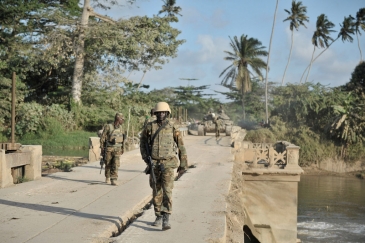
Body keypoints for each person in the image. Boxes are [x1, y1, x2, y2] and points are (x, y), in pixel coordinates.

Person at [140, 102, 188, 230]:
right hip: (154, 163)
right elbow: (143, 142)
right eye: (158, 112)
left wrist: (183, 165)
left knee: (168, 191)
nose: (161, 114)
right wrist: (146, 158)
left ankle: (166, 217)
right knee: (156, 191)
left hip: (168, 163)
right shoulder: (150, 127)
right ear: (155, 113)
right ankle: (158, 215)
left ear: (167, 113)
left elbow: (181, 146)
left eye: (163, 112)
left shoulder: (172, 127)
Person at [100, 113, 125, 186]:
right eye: (121, 119)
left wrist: (123, 148)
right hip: (109, 148)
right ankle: (107, 176)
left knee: (116, 164)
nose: (122, 121)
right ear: (118, 119)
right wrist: (102, 148)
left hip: (118, 148)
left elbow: (123, 138)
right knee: (108, 163)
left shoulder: (121, 128)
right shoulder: (108, 126)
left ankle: (113, 179)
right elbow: (103, 137)